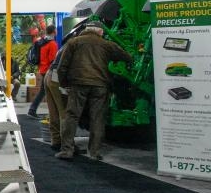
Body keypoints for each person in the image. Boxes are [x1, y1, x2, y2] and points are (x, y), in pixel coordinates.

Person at [55, 22, 132, 161]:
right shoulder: (107, 44)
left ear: (86, 30)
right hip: (100, 85)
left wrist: (64, 83)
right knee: (97, 118)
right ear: (100, 32)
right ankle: (94, 153)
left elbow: (62, 66)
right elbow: (127, 57)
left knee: (72, 116)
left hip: (78, 84)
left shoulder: (73, 42)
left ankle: (67, 150)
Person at [27, 25, 58, 117]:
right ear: (54, 32)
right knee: (52, 91)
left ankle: (33, 110)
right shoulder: (52, 44)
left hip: (42, 69)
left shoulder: (41, 42)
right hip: (49, 71)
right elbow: (52, 60)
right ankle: (34, 111)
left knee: (44, 91)